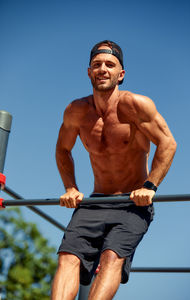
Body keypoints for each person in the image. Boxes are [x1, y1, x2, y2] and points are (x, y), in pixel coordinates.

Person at [51, 40, 177, 300]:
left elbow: (168, 143)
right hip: (96, 202)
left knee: (111, 257)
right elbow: (63, 149)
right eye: (97, 64)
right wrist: (70, 187)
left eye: (110, 64)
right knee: (67, 257)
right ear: (89, 72)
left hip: (132, 203)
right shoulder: (76, 111)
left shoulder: (136, 105)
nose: (102, 69)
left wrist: (149, 186)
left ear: (121, 74)